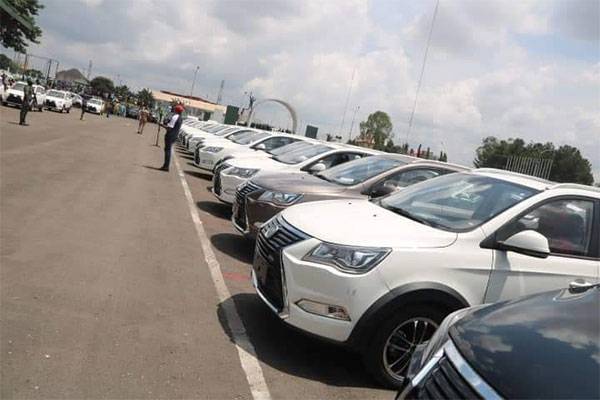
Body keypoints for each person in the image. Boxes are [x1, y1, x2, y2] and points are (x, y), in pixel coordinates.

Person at [158, 104, 184, 171]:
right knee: (168, 150)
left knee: (167, 150)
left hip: (170, 135)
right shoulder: (180, 118)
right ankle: (166, 165)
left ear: (175, 110)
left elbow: (169, 128)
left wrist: (161, 125)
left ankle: (166, 166)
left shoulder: (175, 117)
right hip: (175, 135)